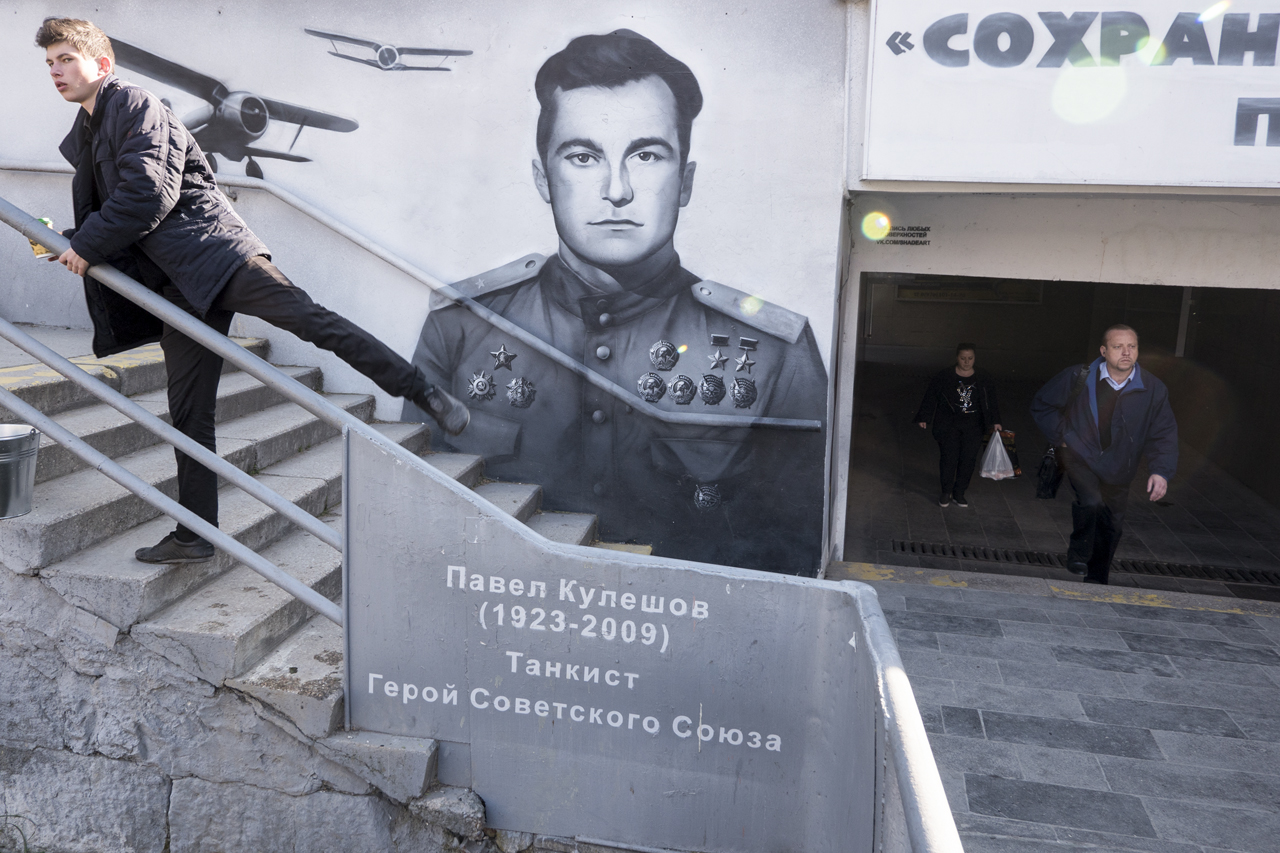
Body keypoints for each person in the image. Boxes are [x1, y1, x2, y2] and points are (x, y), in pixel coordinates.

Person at [36, 18, 470, 565]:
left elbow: (148, 192)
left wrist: (89, 242)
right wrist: (72, 242)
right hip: (174, 285)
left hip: (217, 253)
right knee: (188, 412)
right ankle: (196, 535)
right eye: (50, 62)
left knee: (314, 322)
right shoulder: (88, 129)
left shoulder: (135, 104)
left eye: (66, 58)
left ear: (102, 64)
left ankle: (423, 390)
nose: (55, 70)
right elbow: (112, 214)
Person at [402, 30, 829, 574]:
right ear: (543, 179)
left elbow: (788, 558)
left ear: (685, 182)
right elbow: (416, 504)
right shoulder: (461, 326)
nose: (617, 189)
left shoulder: (773, 353)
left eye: (647, 155)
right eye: (583, 157)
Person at [1031, 325, 1177, 584]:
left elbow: (1163, 433)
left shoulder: (1153, 389)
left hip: (1120, 466)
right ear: (1103, 350)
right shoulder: (1079, 375)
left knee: (1112, 527)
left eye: (1131, 346)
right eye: (1118, 346)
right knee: (1091, 501)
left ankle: (1097, 581)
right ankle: (1078, 554)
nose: (1126, 352)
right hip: (1080, 456)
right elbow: (1042, 404)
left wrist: (1160, 471)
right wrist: (1064, 436)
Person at [914, 344, 1002, 507]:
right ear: (956, 358)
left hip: (974, 425)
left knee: (968, 459)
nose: (967, 362)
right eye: (963, 358)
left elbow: (991, 400)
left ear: (975, 358)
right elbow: (931, 395)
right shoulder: (945, 376)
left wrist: (995, 421)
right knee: (949, 458)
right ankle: (946, 491)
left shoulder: (983, 377)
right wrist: (924, 417)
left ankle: (959, 492)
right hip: (949, 424)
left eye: (970, 358)